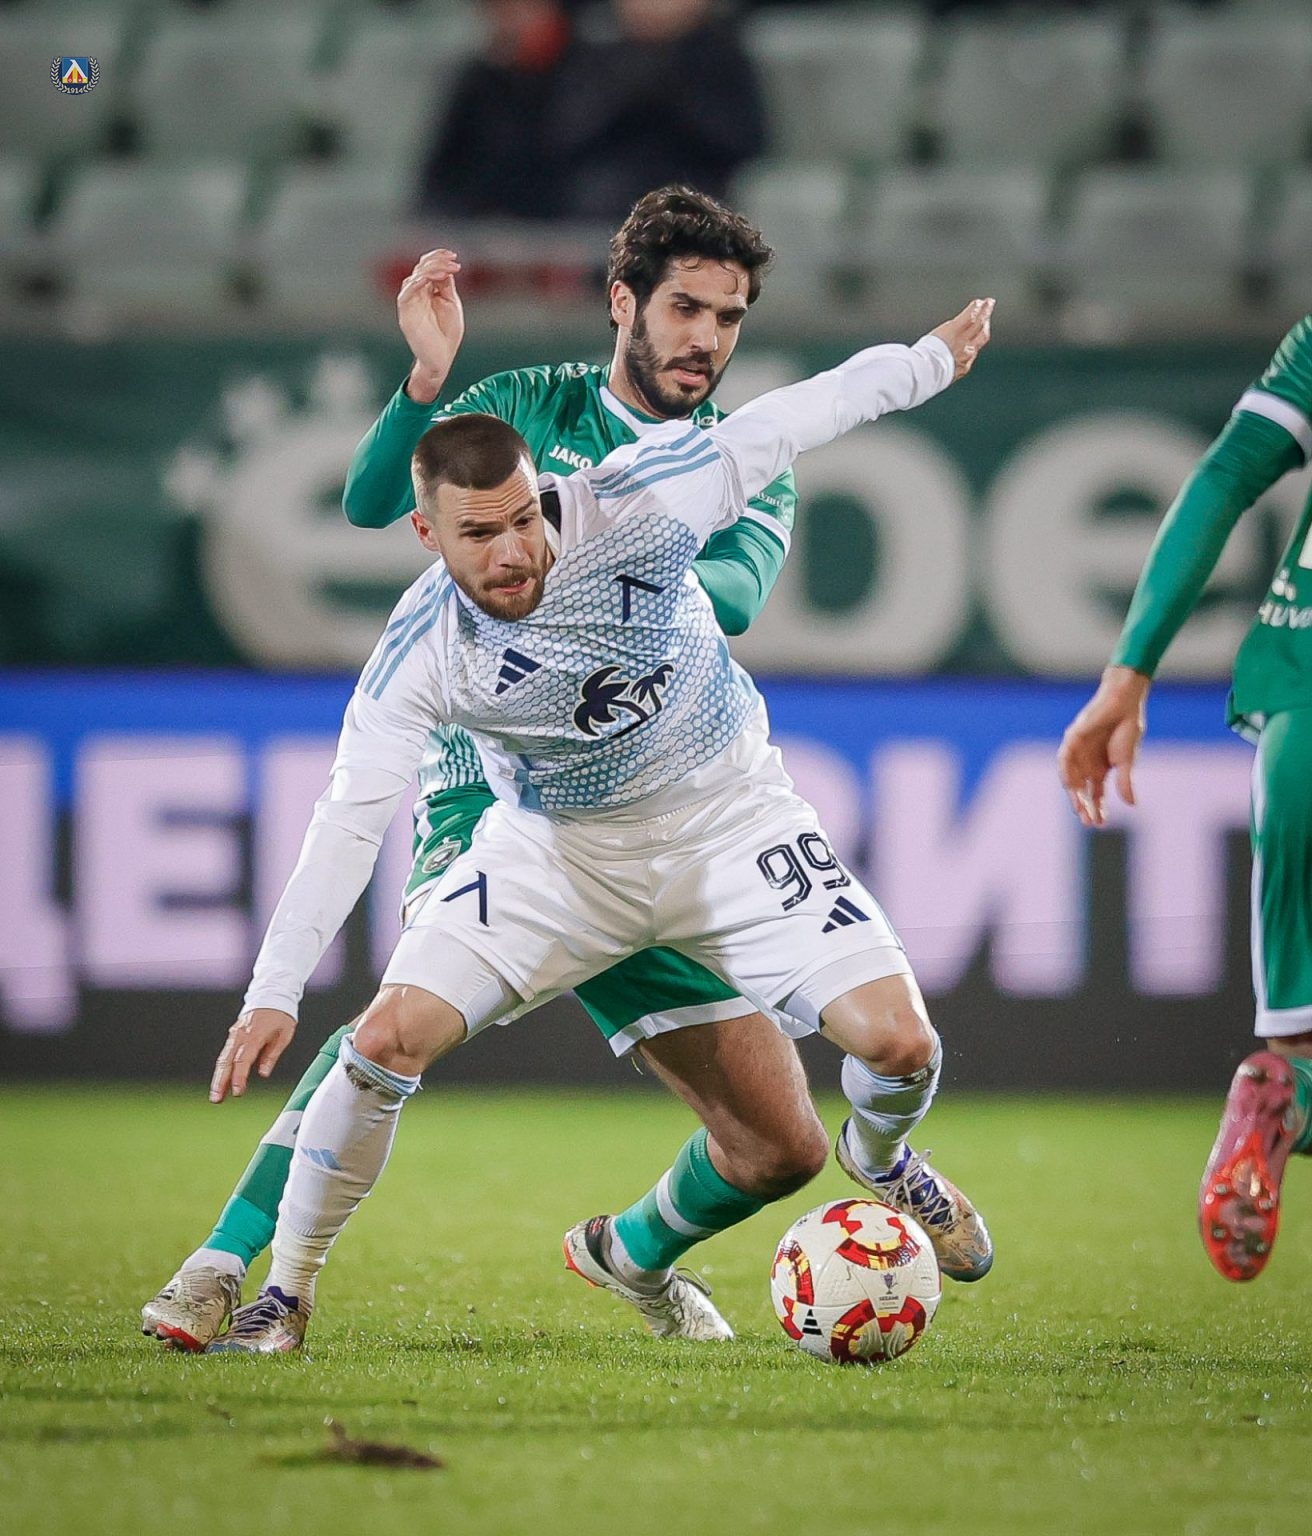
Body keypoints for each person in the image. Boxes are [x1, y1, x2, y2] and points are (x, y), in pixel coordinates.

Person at [197, 294, 994, 1354]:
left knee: (900, 1048)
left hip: (727, 824)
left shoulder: (641, 498)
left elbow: (800, 414)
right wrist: (274, 990)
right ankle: (282, 1297)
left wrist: (927, 361)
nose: (513, 552)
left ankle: (883, 1156)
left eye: (523, 520)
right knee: (384, 1040)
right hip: (561, 855)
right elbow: (349, 819)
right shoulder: (419, 648)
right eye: (479, 535)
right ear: (428, 536)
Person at [141, 188, 820, 1351]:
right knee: (397, 1024)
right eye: (684, 309)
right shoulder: (519, 407)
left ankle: (630, 1254)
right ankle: (226, 1265)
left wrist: (598, 543)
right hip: (502, 779)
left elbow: (738, 598)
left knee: (783, 1146)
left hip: (655, 813)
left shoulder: (745, 459)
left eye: (729, 317)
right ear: (624, 304)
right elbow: (371, 503)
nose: (706, 338)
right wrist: (424, 382)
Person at [1057, 312, 1312, 1283]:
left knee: (1296, 1051)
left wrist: (1128, 672)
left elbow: (1223, 476)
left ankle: (1277, 1096)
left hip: (1299, 708)